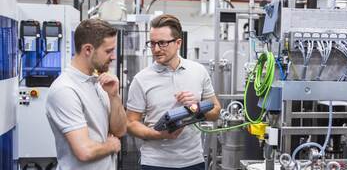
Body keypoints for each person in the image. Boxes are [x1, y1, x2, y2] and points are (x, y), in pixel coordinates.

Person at [126, 14, 221, 170]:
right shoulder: (141, 79)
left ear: (178, 43)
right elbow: (130, 123)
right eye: (152, 43)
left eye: (162, 43)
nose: (156, 49)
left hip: (193, 161)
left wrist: (196, 108)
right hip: (155, 163)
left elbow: (216, 111)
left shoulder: (198, 71)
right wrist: (161, 135)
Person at [46, 18, 127, 170]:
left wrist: (114, 97)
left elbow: (120, 130)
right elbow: (84, 151)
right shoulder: (66, 89)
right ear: (88, 50)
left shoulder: (97, 82)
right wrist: (111, 146)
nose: (114, 56)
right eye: (108, 51)